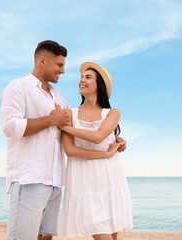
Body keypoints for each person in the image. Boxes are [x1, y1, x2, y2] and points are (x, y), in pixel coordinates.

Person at [0, 41, 127, 240]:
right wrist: (52, 120)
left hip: (55, 182)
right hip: (29, 179)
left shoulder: (60, 101)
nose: (63, 70)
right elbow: (9, 127)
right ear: (43, 61)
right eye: (59, 65)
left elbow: (81, 135)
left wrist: (114, 140)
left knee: (46, 237)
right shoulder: (19, 87)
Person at [57, 62, 133, 240]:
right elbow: (70, 150)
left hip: (110, 177)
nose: (82, 80)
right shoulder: (69, 114)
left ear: (100, 85)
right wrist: (105, 154)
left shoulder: (113, 113)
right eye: (82, 77)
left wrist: (66, 129)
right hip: (84, 181)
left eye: (88, 77)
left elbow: (98, 137)